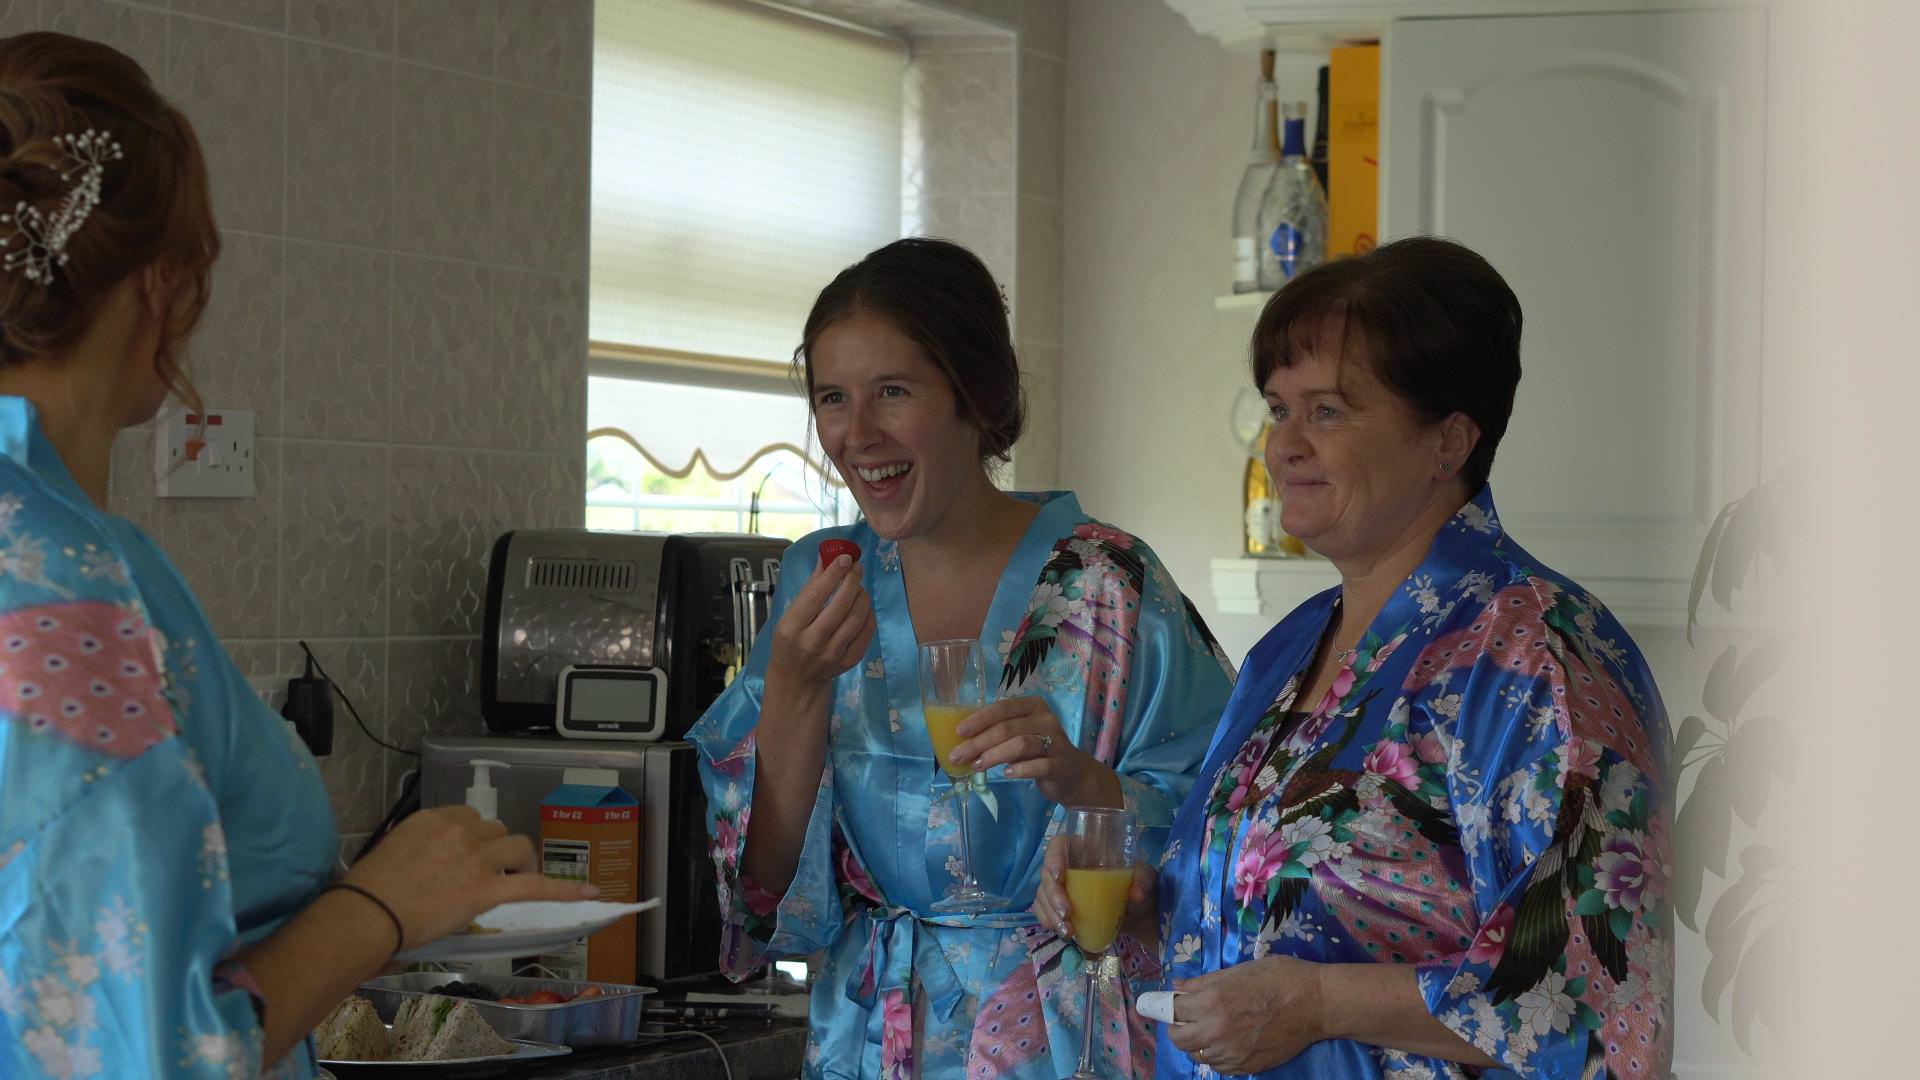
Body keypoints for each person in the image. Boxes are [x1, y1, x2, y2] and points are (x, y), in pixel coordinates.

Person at [0, 33, 589, 1079]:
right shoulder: (58, 601)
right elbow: (140, 1050)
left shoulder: (89, 555)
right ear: (161, 286)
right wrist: (383, 905)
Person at [1034, 237, 1673, 1078]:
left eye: (1327, 411)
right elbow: (1280, 924)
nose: (1286, 445)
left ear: (1448, 442)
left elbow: (1599, 995)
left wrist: (1319, 1004)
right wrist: (1148, 910)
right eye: (1278, 409)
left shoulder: (1543, 657)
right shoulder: (1289, 648)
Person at [689, 237, 1234, 1079]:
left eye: (893, 392)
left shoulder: (1108, 583)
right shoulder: (820, 574)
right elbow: (763, 888)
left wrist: (1086, 786)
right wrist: (794, 687)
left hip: (1063, 1036)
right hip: (871, 1032)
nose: (857, 433)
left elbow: (1222, 821)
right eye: (832, 397)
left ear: (974, 395)